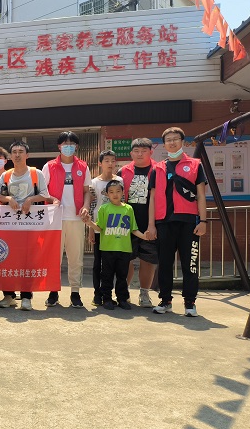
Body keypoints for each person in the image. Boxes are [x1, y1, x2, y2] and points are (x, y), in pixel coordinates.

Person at [148, 127, 207, 317]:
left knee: (190, 264)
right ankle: (165, 300)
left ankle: (190, 303)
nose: (172, 142)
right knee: (164, 264)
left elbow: (201, 195)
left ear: (182, 141)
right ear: (164, 144)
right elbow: (152, 198)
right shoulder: (157, 168)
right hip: (164, 222)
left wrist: (203, 221)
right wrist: (151, 225)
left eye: (175, 139)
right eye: (168, 140)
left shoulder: (195, 165)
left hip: (189, 222)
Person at [0, 141, 51, 311]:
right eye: (14, 152)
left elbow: (44, 195)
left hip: (29, 224)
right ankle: (9, 296)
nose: (17, 154)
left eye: (21, 151)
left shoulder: (36, 173)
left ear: (27, 155)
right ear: (10, 156)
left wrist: (30, 200)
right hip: (10, 225)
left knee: (27, 261)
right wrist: (8, 199)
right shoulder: (6, 175)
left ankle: (26, 297)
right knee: (8, 259)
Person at [42, 131, 91, 309]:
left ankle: (75, 292)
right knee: (54, 257)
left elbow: (87, 191)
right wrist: (52, 199)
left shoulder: (83, 167)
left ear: (76, 146)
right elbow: (42, 192)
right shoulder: (49, 166)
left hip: (76, 218)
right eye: (65, 143)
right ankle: (53, 291)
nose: (68, 146)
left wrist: (86, 206)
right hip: (55, 219)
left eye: (71, 143)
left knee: (75, 257)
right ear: (59, 146)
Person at [85, 180, 147, 310]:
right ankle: (107, 299)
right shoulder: (104, 208)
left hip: (124, 249)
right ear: (107, 194)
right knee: (107, 275)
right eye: (111, 192)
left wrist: (144, 236)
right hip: (107, 248)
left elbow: (133, 229)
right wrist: (90, 223)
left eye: (118, 191)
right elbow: (100, 228)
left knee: (122, 276)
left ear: (123, 193)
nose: (115, 194)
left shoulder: (128, 209)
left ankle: (122, 299)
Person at [116, 138, 158, 308]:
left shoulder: (159, 170)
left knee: (148, 259)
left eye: (144, 151)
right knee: (126, 259)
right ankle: (123, 292)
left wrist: (153, 224)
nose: (140, 154)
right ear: (131, 153)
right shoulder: (123, 171)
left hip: (150, 223)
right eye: (136, 151)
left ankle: (144, 293)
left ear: (151, 152)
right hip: (126, 224)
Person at [88, 150, 123, 306]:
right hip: (98, 228)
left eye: (112, 160)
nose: (110, 163)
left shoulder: (120, 181)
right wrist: (91, 230)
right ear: (100, 163)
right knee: (98, 263)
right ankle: (97, 294)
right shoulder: (94, 183)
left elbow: (123, 203)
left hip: (115, 229)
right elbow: (91, 206)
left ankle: (111, 294)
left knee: (113, 264)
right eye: (106, 160)